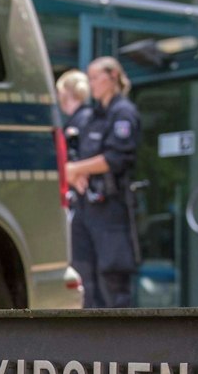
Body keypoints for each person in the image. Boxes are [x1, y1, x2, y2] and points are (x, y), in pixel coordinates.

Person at [58, 58, 142, 308]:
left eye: (95, 77)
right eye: (89, 77)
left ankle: (121, 344)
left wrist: (74, 169)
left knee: (112, 280)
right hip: (86, 207)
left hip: (111, 209)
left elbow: (116, 157)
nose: (91, 83)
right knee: (84, 276)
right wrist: (77, 173)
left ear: (113, 76)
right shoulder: (93, 115)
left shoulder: (123, 112)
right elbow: (81, 153)